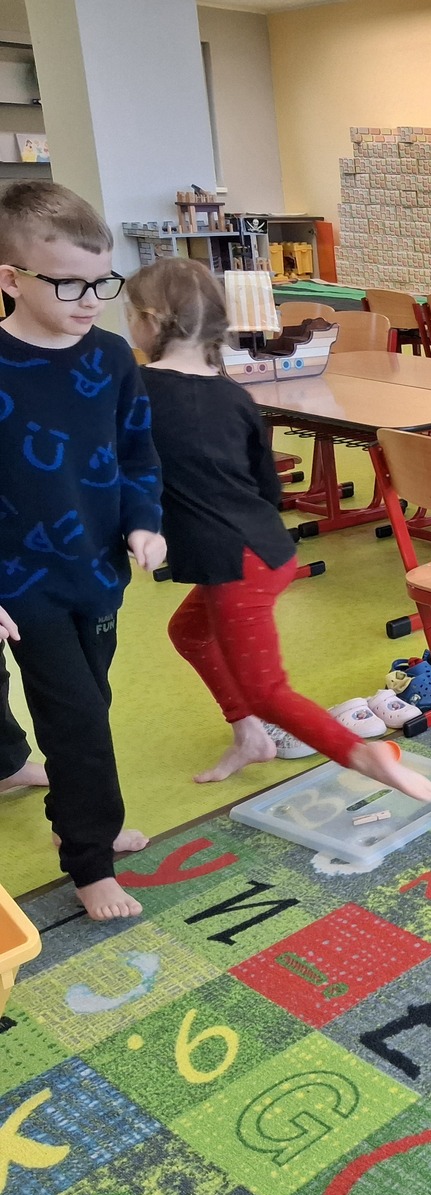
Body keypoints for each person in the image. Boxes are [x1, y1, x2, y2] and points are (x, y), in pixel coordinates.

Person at [129, 257, 431, 805]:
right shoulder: (233, 394)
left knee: (266, 691)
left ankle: (362, 755)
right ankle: (249, 736)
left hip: (236, 565)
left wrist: (147, 525)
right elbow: (266, 483)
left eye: (129, 315)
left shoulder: (139, 391)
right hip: (269, 549)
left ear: (151, 322)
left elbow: (129, 467)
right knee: (188, 633)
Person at [0, 181, 164, 920]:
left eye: (103, 281)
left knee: (89, 702)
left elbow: (136, 454)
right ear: (11, 279)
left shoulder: (112, 357)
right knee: (78, 722)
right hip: (19, 582)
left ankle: (72, 809)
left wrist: (143, 521)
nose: (91, 299)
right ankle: (89, 859)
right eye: (68, 283)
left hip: (96, 570)